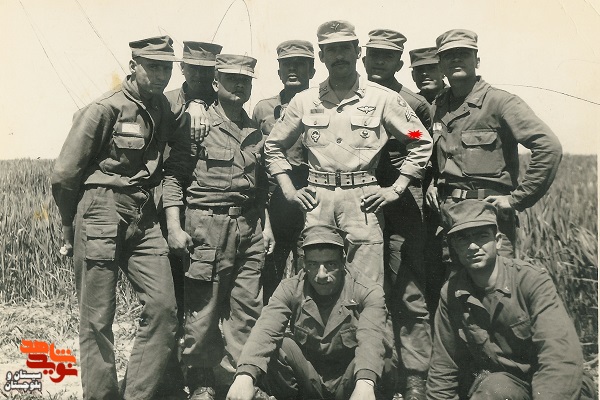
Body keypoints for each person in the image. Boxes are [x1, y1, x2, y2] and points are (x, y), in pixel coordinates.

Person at [51, 35, 179, 399]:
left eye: (166, 68)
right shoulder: (104, 109)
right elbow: (64, 175)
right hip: (100, 211)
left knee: (164, 308)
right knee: (97, 319)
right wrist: (67, 223)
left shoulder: (161, 107)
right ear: (133, 66)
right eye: (153, 67)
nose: (161, 75)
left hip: (143, 215)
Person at [265, 20, 432, 285]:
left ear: (357, 52)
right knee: (318, 281)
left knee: (366, 284)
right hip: (318, 201)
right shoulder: (305, 100)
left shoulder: (382, 98)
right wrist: (288, 190)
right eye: (331, 50)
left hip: (363, 202)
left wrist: (397, 188)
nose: (339, 56)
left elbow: (419, 140)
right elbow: (273, 145)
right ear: (321, 56)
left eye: (345, 48)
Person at [162, 54, 274, 400]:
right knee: (203, 309)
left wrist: (267, 227)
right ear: (215, 83)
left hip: (249, 228)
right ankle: (201, 380)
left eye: (246, 80)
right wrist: (174, 227)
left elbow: (261, 189)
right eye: (231, 79)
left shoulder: (255, 131)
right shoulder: (198, 124)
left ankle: (239, 380)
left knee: (247, 308)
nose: (239, 85)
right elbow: (173, 178)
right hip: (206, 227)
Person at [427, 199, 595, 400]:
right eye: (463, 239)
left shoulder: (531, 280)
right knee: (492, 389)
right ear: (454, 246)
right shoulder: (452, 293)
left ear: (498, 241)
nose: (472, 246)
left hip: (559, 386)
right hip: (509, 386)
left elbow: (559, 357)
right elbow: (444, 367)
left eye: (481, 236)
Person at [426, 29, 562, 259]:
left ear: (477, 61)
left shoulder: (499, 102)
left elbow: (548, 147)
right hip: (449, 219)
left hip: (488, 220)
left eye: (463, 53)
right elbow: (433, 152)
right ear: (440, 65)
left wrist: (517, 199)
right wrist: (432, 181)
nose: (456, 59)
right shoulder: (437, 107)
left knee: (496, 281)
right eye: (449, 55)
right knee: (454, 281)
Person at [227, 224, 397, 400]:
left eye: (330, 264)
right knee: (279, 346)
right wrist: (245, 375)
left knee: (382, 357)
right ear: (304, 264)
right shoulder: (290, 288)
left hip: (351, 384)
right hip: (309, 381)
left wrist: (365, 384)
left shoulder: (367, 291)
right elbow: (266, 330)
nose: (321, 274)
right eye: (313, 264)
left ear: (343, 262)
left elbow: (372, 337)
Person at [361, 28, 432, 400]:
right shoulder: (353, 97)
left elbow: (422, 146)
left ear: (399, 62)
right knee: (366, 288)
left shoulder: (413, 103)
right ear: (363, 58)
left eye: (387, 56)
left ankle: (416, 375)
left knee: (407, 290)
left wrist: (400, 184)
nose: (379, 62)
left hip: (401, 202)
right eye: (373, 55)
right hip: (360, 203)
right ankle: (376, 370)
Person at [157, 40, 223, 398]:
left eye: (207, 70)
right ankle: (167, 375)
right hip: (166, 210)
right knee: (169, 300)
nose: (199, 76)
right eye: (193, 69)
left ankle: (202, 375)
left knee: (203, 299)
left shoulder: (226, 103)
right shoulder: (164, 102)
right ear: (182, 69)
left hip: (207, 214)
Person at [253, 39, 316, 304]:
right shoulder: (264, 109)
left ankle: (303, 321)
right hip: (274, 197)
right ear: (278, 71)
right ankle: (272, 319)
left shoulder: (323, 105)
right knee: (271, 266)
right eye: (287, 64)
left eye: (300, 64)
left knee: (309, 263)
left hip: (311, 195)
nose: (293, 69)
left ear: (312, 70)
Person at [408, 45, 448, 315]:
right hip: (417, 190)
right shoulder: (412, 104)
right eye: (419, 70)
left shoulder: (452, 100)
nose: (424, 75)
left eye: (430, 69)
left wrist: (436, 180)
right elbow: (411, 138)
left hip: (445, 190)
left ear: (442, 70)